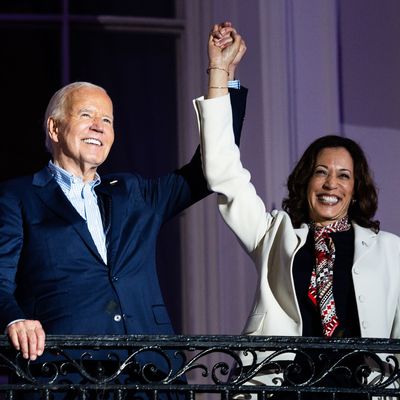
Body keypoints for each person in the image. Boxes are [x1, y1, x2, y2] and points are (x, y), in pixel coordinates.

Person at [0, 22, 247, 397]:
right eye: (86, 115)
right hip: (64, 376)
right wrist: (15, 319)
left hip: (151, 374)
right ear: (54, 128)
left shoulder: (133, 193)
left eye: (108, 120)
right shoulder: (17, 197)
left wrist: (221, 75)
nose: (98, 127)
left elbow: (207, 170)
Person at [194, 26, 400, 399]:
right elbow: (223, 173)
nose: (330, 184)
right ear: (306, 181)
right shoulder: (274, 234)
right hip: (284, 389)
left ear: (355, 190)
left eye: (343, 176)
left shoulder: (391, 251)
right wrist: (219, 73)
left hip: (362, 392)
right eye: (321, 172)